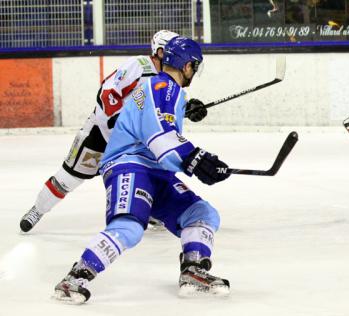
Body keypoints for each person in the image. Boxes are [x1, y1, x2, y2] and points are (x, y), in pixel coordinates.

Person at [53, 36, 231, 304]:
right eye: (194, 66)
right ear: (187, 66)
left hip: (156, 170)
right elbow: (159, 136)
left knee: (202, 213)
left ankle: (193, 270)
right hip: (130, 164)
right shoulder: (162, 86)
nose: (194, 71)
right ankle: (74, 279)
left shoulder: (166, 89)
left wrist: (186, 110)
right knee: (130, 227)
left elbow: (162, 126)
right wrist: (196, 158)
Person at [19, 30, 208, 233]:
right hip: (101, 135)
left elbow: (163, 115)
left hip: (133, 145)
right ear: (161, 52)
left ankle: (148, 210)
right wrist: (121, 121)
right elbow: (108, 93)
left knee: (149, 175)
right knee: (69, 177)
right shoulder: (139, 66)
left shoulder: (172, 81)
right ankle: (38, 209)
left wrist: (187, 109)